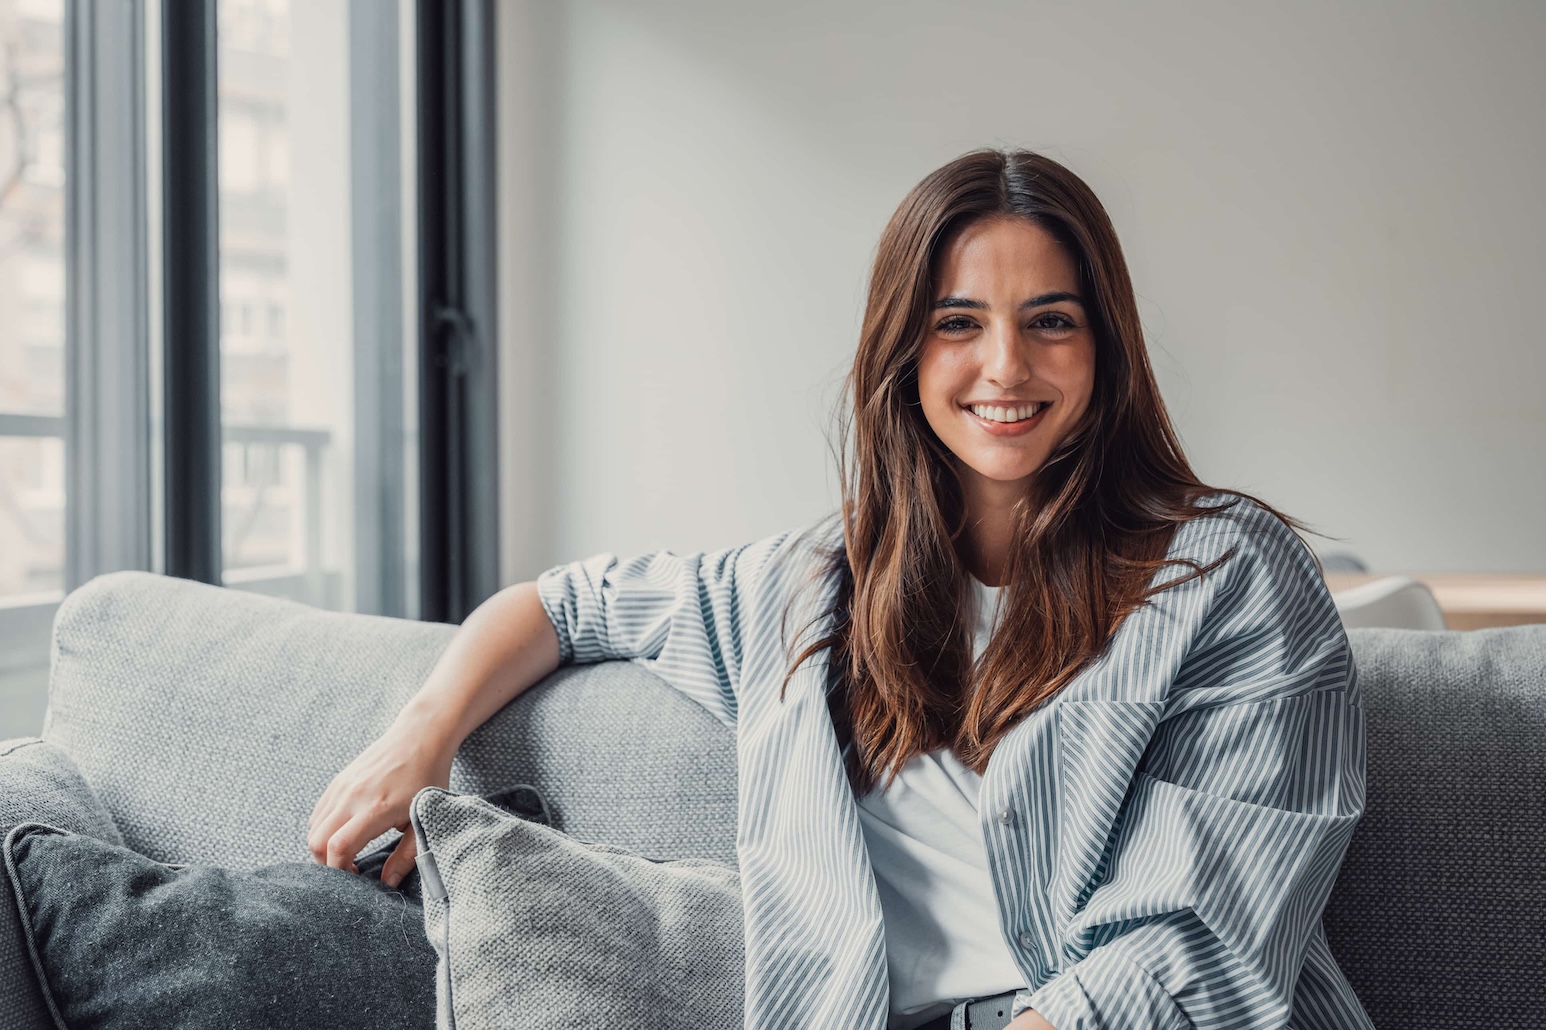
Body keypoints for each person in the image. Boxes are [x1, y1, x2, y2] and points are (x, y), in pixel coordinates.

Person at [308, 148, 1373, 1030]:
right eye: (959, 322)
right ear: (904, 350)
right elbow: (566, 603)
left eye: (1051, 320)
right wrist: (421, 735)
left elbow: (1191, 938)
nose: (1005, 365)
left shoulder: (1229, 577)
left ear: (1105, 349)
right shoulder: (801, 592)